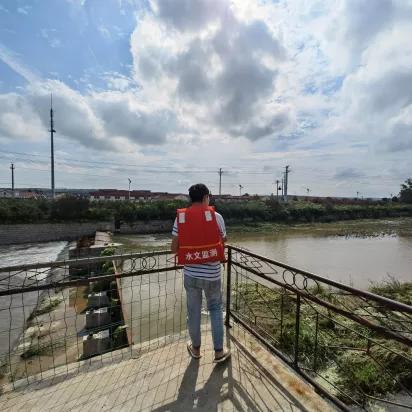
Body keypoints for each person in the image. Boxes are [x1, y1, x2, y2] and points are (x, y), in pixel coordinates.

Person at [171, 183, 231, 363]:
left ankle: (196, 349)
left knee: (193, 310)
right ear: (206, 197)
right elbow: (223, 241)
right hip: (213, 275)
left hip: (191, 274)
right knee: (215, 310)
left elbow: (174, 248)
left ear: (191, 198)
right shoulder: (217, 217)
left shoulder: (180, 218)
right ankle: (219, 353)